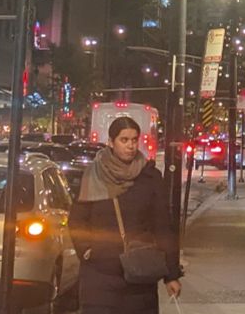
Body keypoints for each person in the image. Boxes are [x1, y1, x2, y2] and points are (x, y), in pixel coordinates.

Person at [69, 116, 181, 314]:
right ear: (111, 142)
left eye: (134, 139)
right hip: (100, 275)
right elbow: (78, 220)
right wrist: (87, 250)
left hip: (139, 275)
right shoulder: (92, 175)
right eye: (124, 140)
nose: (130, 145)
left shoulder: (149, 176)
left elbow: (163, 226)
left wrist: (171, 274)